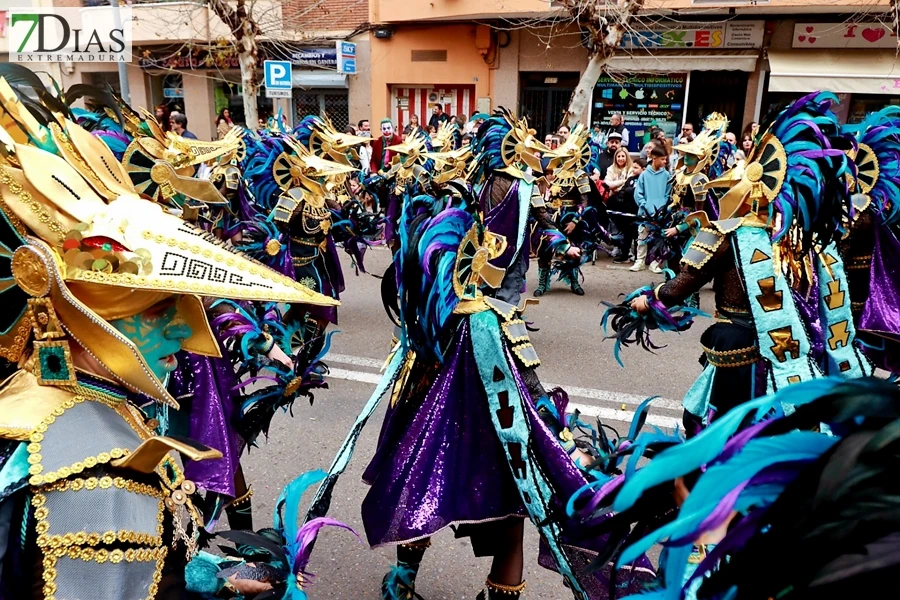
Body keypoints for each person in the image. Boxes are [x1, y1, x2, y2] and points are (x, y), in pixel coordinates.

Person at [0, 95, 338, 599]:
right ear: (79, 314)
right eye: (159, 311)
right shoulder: (96, 472)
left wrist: (205, 578)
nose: (186, 334)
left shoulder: (34, 399)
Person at [616, 92, 871, 437]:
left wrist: (649, 299)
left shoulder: (727, 234)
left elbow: (684, 284)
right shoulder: (799, 238)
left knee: (725, 427)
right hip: (785, 347)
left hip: (737, 344)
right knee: (772, 421)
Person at [630, 144, 670, 273]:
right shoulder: (644, 175)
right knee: (642, 236)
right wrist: (646, 206)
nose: (664, 162)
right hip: (645, 213)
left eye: (665, 159)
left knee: (659, 239)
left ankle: (655, 262)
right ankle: (640, 261)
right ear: (654, 158)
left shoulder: (667, 175)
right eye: (662, 159)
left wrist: (662, 208)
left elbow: (667, 194)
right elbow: (638, 194)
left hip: (661, 213)